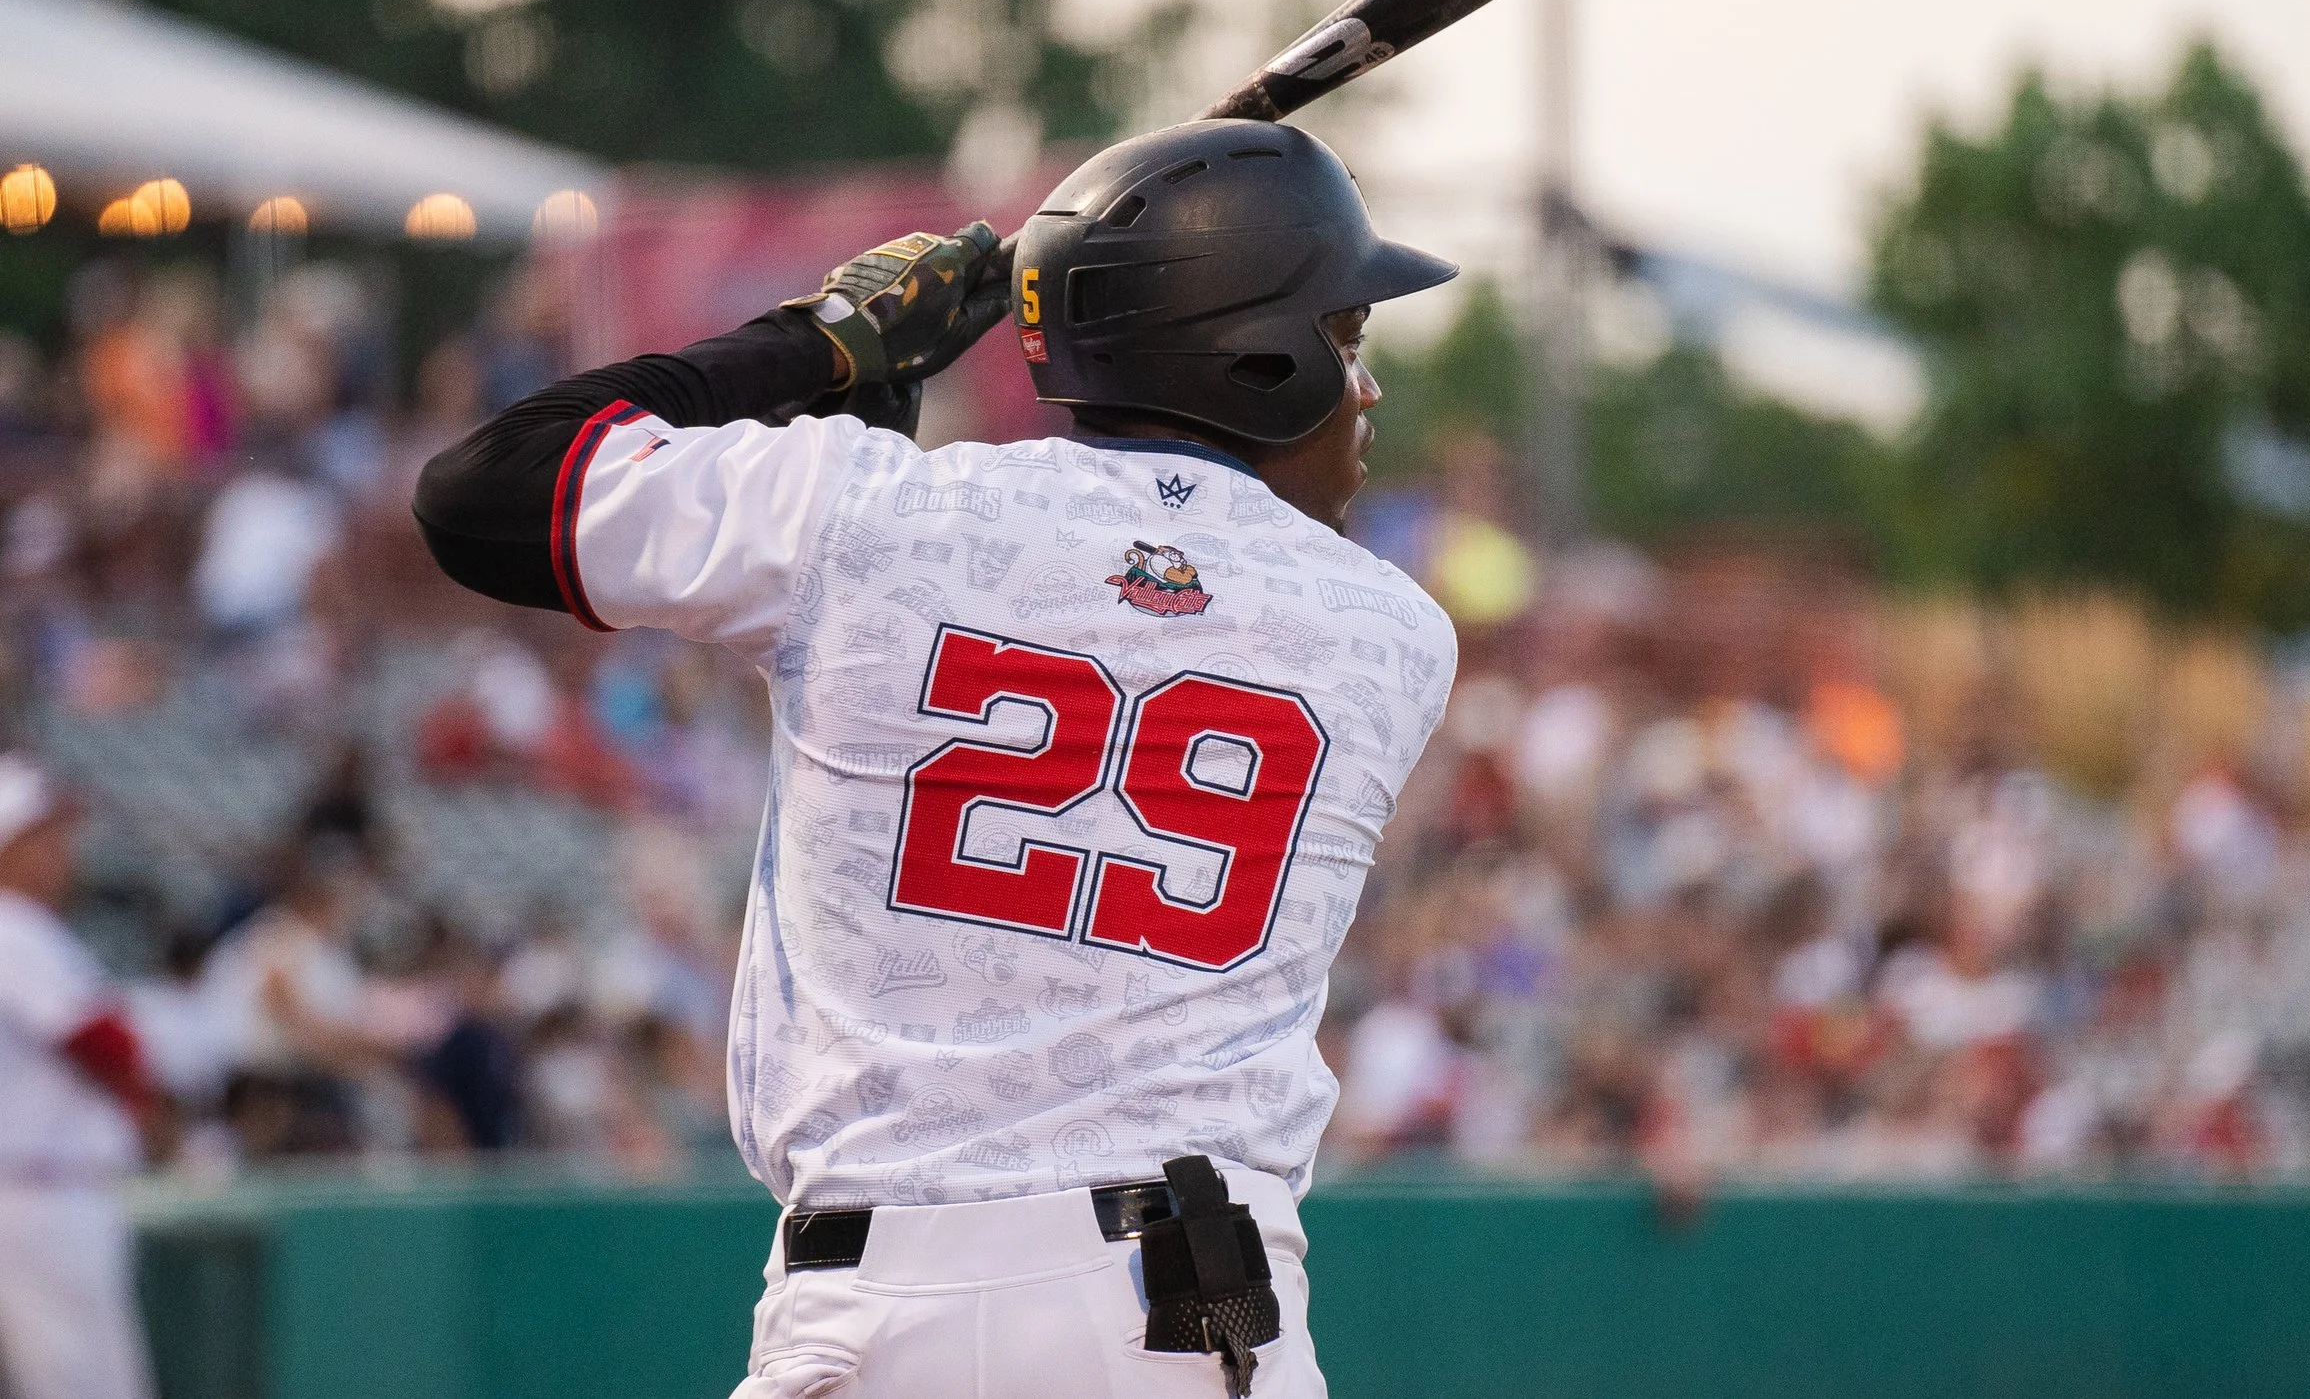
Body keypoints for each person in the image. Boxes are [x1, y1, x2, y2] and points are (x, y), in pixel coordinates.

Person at [415, 120, 1461, 1399]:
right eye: (1341, 340)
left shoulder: (867, 511)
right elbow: (1135, 589)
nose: (1362, 386)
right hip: (1191, 1318)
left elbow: (480, 490)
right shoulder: (1394, 632)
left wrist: (812, 341)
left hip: (864, 1310)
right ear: (1252, 354)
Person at [0, 754, 161, 1399]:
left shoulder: (33, 930)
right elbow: (105, 1044)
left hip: (47, 1192)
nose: (65, 852)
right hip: (38, 1196)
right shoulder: (12, 927)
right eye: (46, 835)